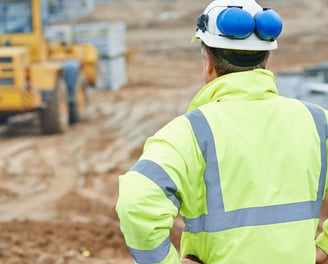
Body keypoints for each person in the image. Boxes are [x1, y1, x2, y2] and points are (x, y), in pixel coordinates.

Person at [116, 0, 328, 263]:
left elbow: (137, 201)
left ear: (208, 62)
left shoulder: (189, 133)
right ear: (267, 58)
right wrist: (325, 247)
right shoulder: (318, 123)